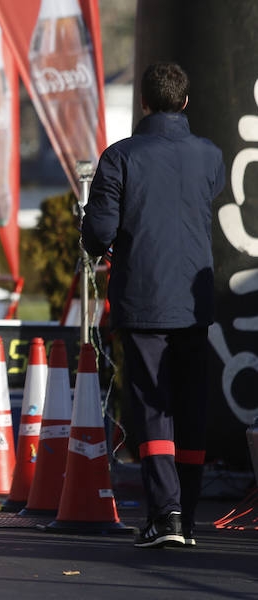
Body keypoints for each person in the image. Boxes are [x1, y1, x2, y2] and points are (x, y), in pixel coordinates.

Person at [82, 62, 225, 549]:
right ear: (184, 102)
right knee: (189, 405)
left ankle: (166, 516)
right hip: (192, 301)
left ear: (143, 102)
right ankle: (188, 517)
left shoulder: (120, 156)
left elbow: (99, 231)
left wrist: (103, 244)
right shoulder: (209, 156)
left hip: (142, 297)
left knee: (151, 407)